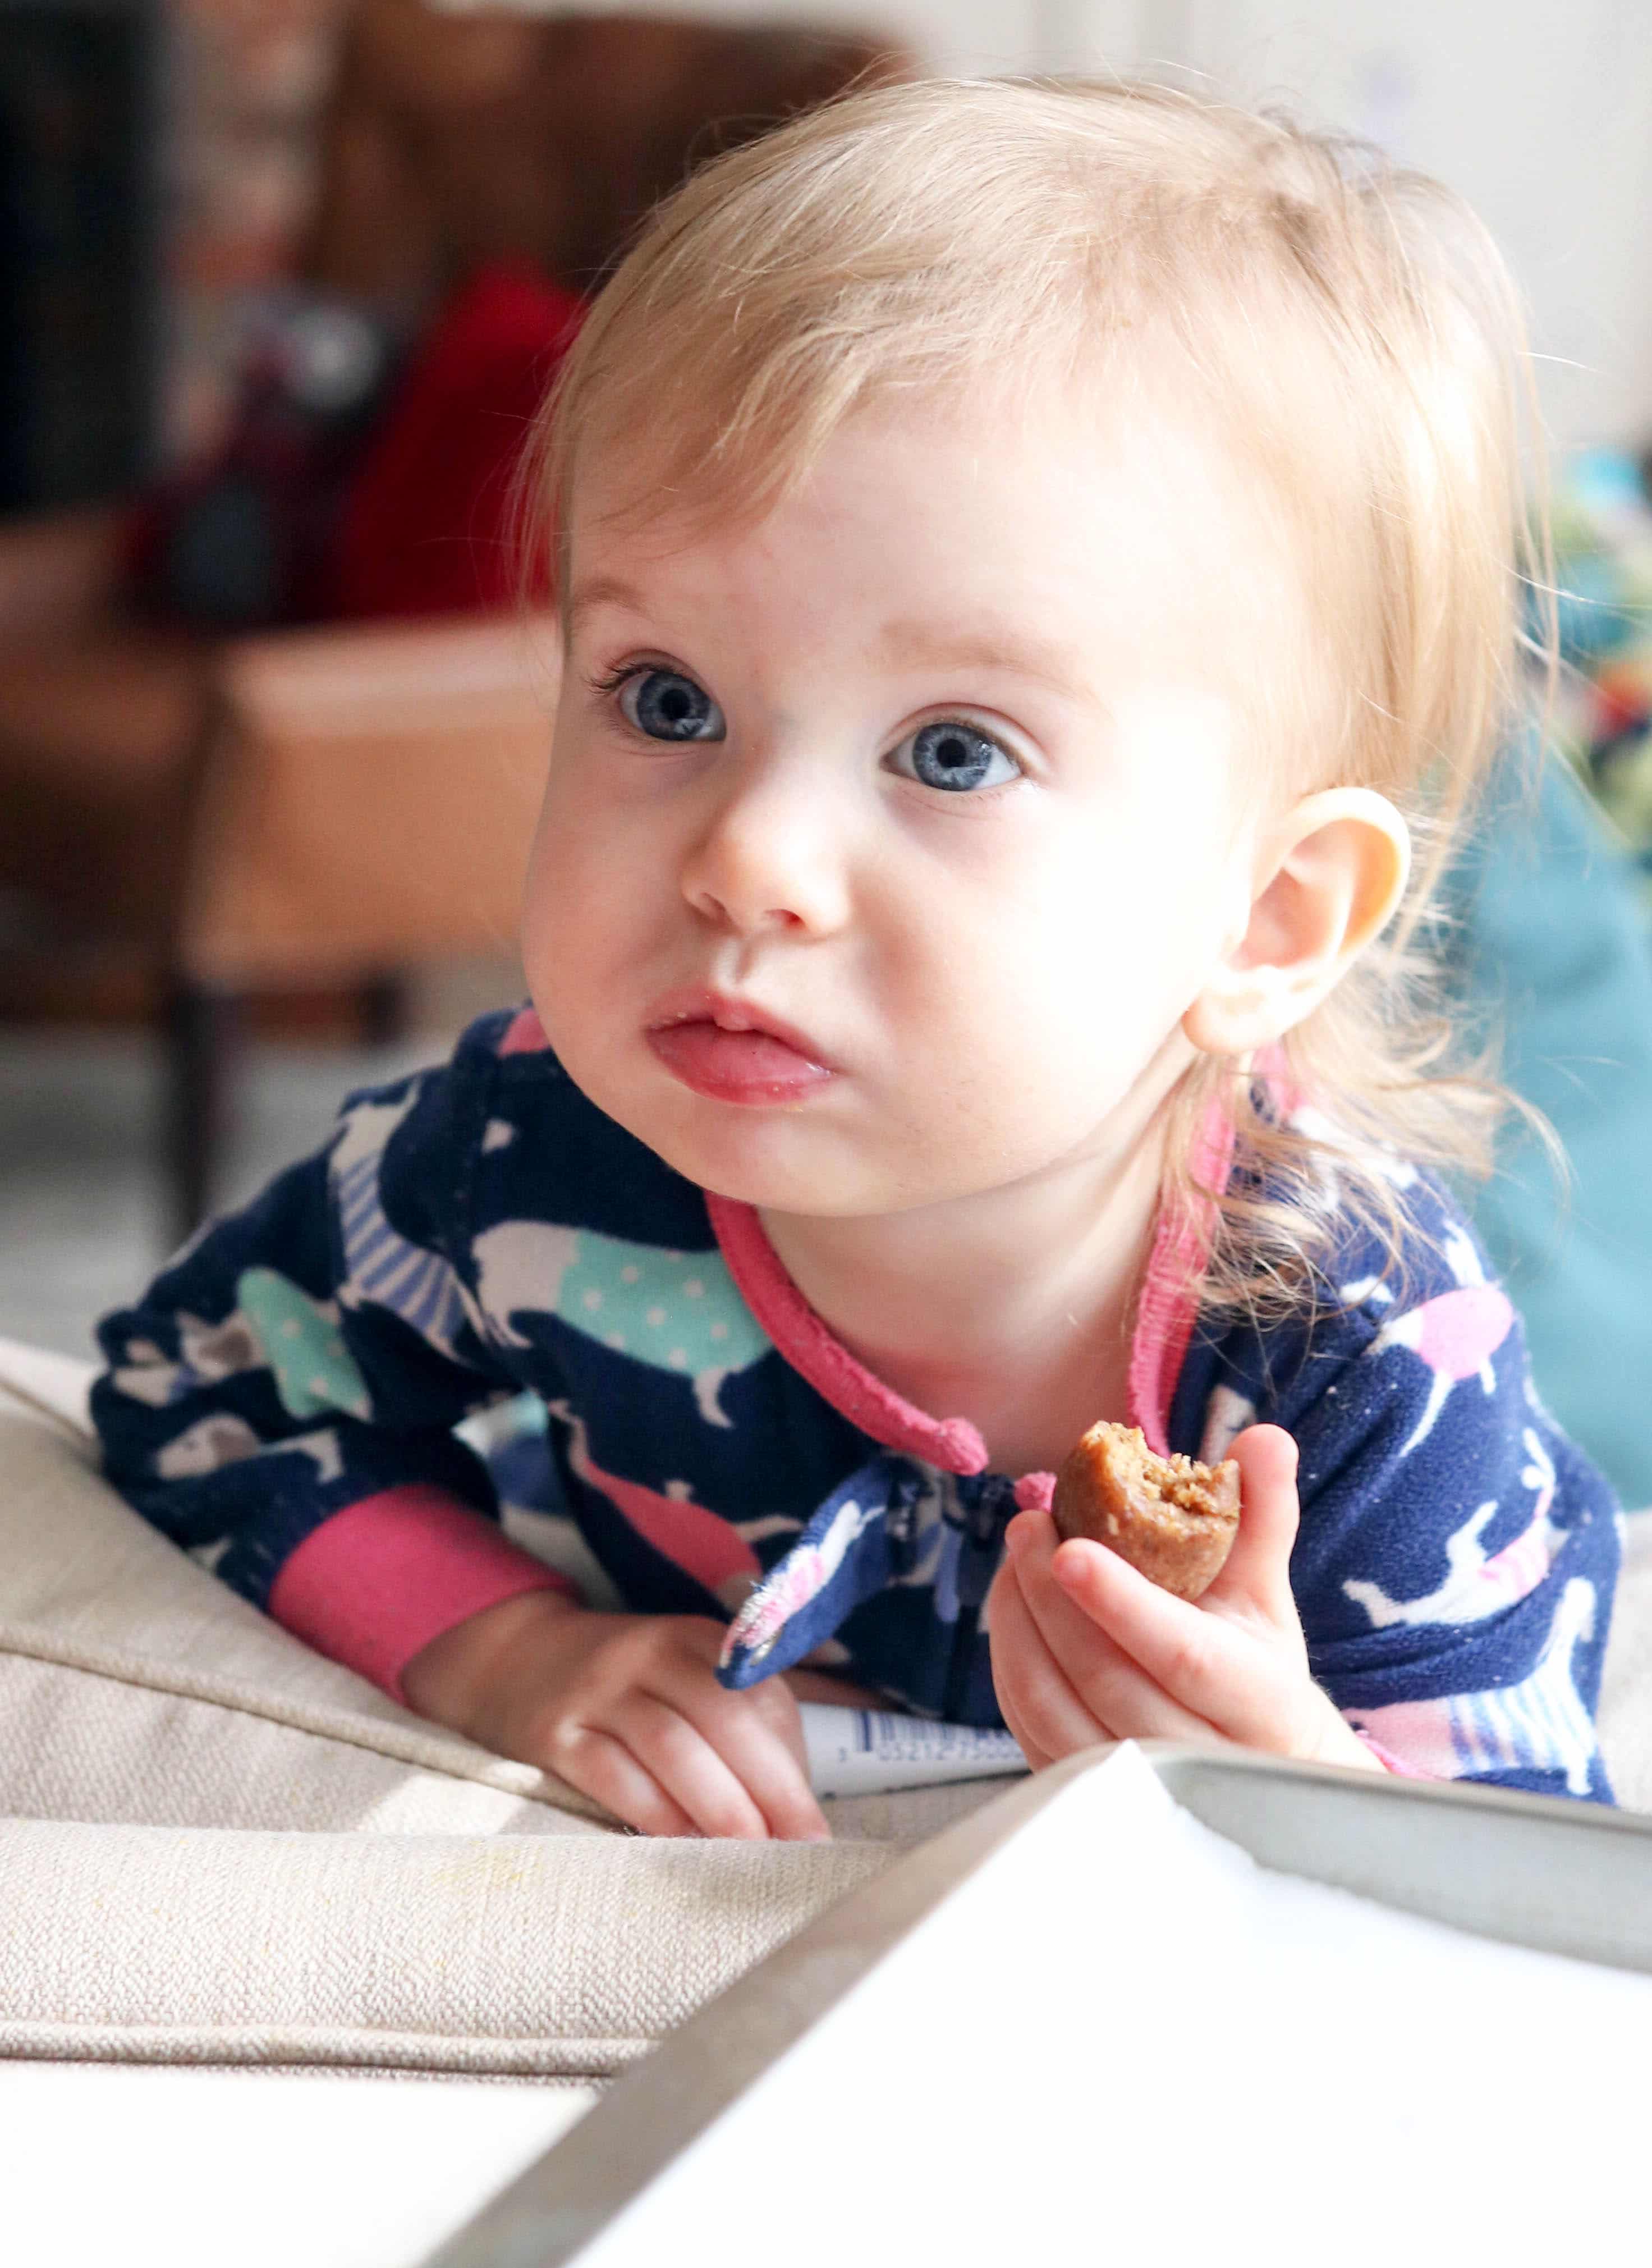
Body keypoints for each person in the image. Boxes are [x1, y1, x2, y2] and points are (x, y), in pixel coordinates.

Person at [91, 79, 1621, 1836]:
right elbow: (201, 1378)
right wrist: (506, 1647)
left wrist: (1292, 1779)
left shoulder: (1360, 1348)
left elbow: (1526, 1869)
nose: (748, 859)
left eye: (952, 751)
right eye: (670, 701)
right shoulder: (519, 1155)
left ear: (1264, 919)